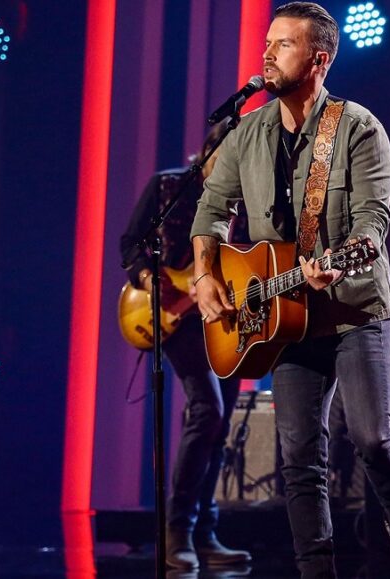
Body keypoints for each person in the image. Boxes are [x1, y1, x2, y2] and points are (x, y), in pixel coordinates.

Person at [190, 4, 390, 578]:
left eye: (284, 44)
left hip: (354, 308)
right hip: (285, 318)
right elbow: (210, 211)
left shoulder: (358, 129)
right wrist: (205, 276)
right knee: (299, 455)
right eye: (267, 42)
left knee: (371, 437)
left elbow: (373, 221)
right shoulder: (246, 131)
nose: (267, 53)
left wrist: (338, 262)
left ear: (319, 60)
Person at [119, 126, 252, 571]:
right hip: (172, 315)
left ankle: (204, 532)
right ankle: (177, 531)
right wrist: (151, 282)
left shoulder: (251, 200)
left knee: (220, 423)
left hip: (227, 318)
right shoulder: (169, 187)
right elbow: (130, 243)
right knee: (207, 411)